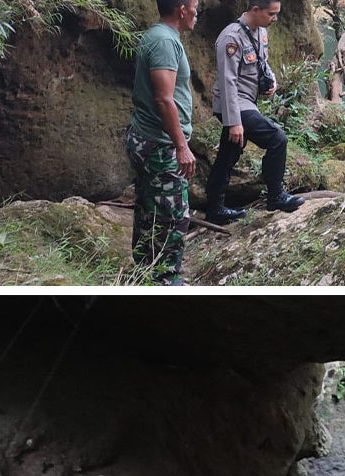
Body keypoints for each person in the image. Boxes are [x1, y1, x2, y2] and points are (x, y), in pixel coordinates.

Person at [205, 0, 303, 223]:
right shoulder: (231, 37)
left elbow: (262, 63)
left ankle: (214, 208)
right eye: (271, 14)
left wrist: (272, 82)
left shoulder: (261, 33)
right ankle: (275, 196)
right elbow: (228, 81)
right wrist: (234, 121)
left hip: (247, 102)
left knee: (229, 154)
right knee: (276, 138)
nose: (275, 19)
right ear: (255, 10)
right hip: (233, 105)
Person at [124, 0, 200, 286]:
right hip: (160, 144)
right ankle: (166, 280)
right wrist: (181, 146)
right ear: (182, 9)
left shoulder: (160, 36)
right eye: (195, 5)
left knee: (149, 207)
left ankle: (145, 269)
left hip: (148, 138)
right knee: (173, 214)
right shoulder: (164, 42)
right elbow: (164, 98)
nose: (198, 10)